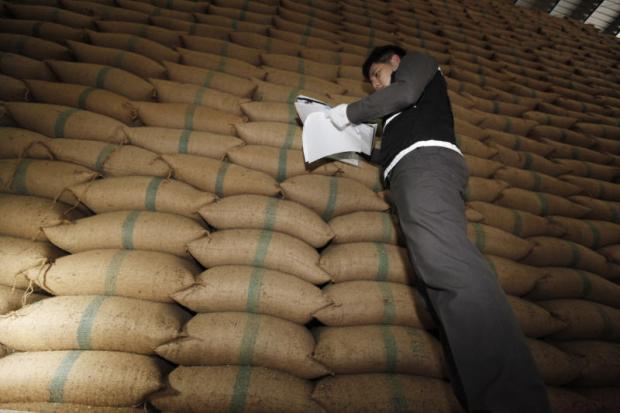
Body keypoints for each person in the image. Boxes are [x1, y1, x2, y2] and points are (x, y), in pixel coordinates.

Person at [326, 45, 551, 413]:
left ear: (395, 62)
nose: (375, 87)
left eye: (376, 77)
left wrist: (346, 114)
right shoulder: (400, 115)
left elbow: (405, 92)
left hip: (426, 168)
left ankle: (514, 402)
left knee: (452, 273)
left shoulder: (417, 64)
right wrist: (359, 149)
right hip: (411, 172)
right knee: (440, 289)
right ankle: (483, 399)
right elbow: (395, 137)